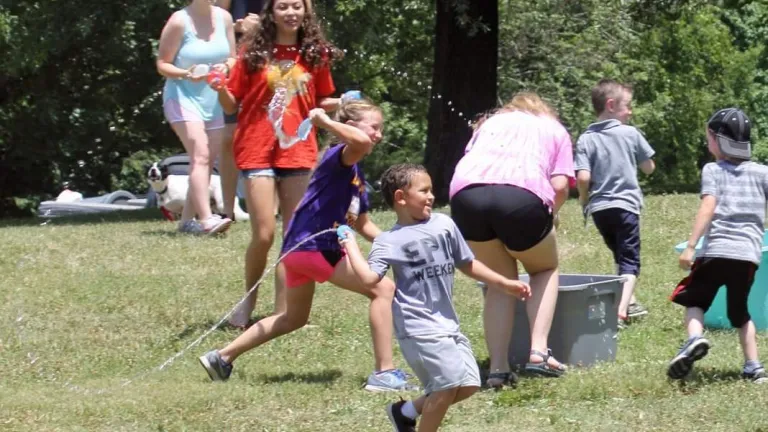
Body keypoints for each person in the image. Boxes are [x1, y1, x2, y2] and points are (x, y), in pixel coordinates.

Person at [199, 99, 416, 391]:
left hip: (300, 251)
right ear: (350, 126)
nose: (379, 135)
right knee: (382, 289)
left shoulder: (355, 173)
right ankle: (384, 373)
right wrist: (324, 122)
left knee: (293, 318)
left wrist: (399, 244)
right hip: (314, 247)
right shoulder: (339, 156)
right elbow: (361, 142)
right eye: (374, 127)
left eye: (381, 129)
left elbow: (363, 224)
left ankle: (222, 357)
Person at [340, 163, 531, 431]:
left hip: (447, 323)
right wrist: (350, 245)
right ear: (401, 197)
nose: (431, 196)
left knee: (468, 384)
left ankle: (404, 412)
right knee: (446, 388)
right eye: (424, 191)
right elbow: (369, 278)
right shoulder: (388, 240)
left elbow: (467, 263)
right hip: (418, 325)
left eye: (431, 190)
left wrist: (504, 283)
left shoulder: (444, 224)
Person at [210, 0, 345, 326]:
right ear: (272, 13)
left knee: (295, 236)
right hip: (256, 149)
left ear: (306, 11)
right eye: (283, 6)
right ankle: (247, 302)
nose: (291, 13)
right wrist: (218, 88)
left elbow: (320, 98)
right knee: (264, 234)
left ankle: (285, 311)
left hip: (298, 150)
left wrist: (344, 103)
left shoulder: (315, 55)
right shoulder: (253, 53)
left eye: (296, 6)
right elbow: (231, 102)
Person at [448, 92, 574, 387]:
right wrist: (551, 215)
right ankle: (539, 352)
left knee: (500, 282)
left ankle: (498, 369)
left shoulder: (489, 124)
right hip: (521, 195)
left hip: (466, 196)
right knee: (544, 269)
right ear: (546, 110)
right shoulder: (554, 128)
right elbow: (559, 185)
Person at [669, 108, 768, 383]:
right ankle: (754, 367)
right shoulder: (763, 173)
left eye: (709, 137)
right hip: (748, 256)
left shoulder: (713, 170)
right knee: (741, 313)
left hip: (716, 252)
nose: (707, 143)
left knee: (694, 299)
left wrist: (691, 246)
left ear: (719, 140)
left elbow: (708, 206)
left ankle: (694, 340)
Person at [575, 79, 656, 327]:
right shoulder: (630, 133)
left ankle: (631, 301)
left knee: (620, 254)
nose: (630, 112)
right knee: (630, 261)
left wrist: (584, 199)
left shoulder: (585, 139)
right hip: (626, 206)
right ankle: (620, 312)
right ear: (611, 105)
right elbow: (649, 167)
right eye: (627, 106)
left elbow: (583, 177)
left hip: (600, 210)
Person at [156, 0, 237, 235]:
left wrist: (226, 67)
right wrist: (186, 73)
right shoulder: (179, 21)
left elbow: (233, 57)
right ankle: (207, 219)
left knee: (206, 161)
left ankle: (186, 222)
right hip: (181, 98)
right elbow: (162, 64)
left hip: (213, 99)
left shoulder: (224, 18)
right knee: (200, 155)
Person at [214, 0, 263, 222]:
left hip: (275, 61)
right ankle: (227, 209)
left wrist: (263, 26)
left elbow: (301, 17)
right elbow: (214, 19)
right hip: (237, 62)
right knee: (229, 137)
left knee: (276, 131)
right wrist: (235, 27)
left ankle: (273, 207)